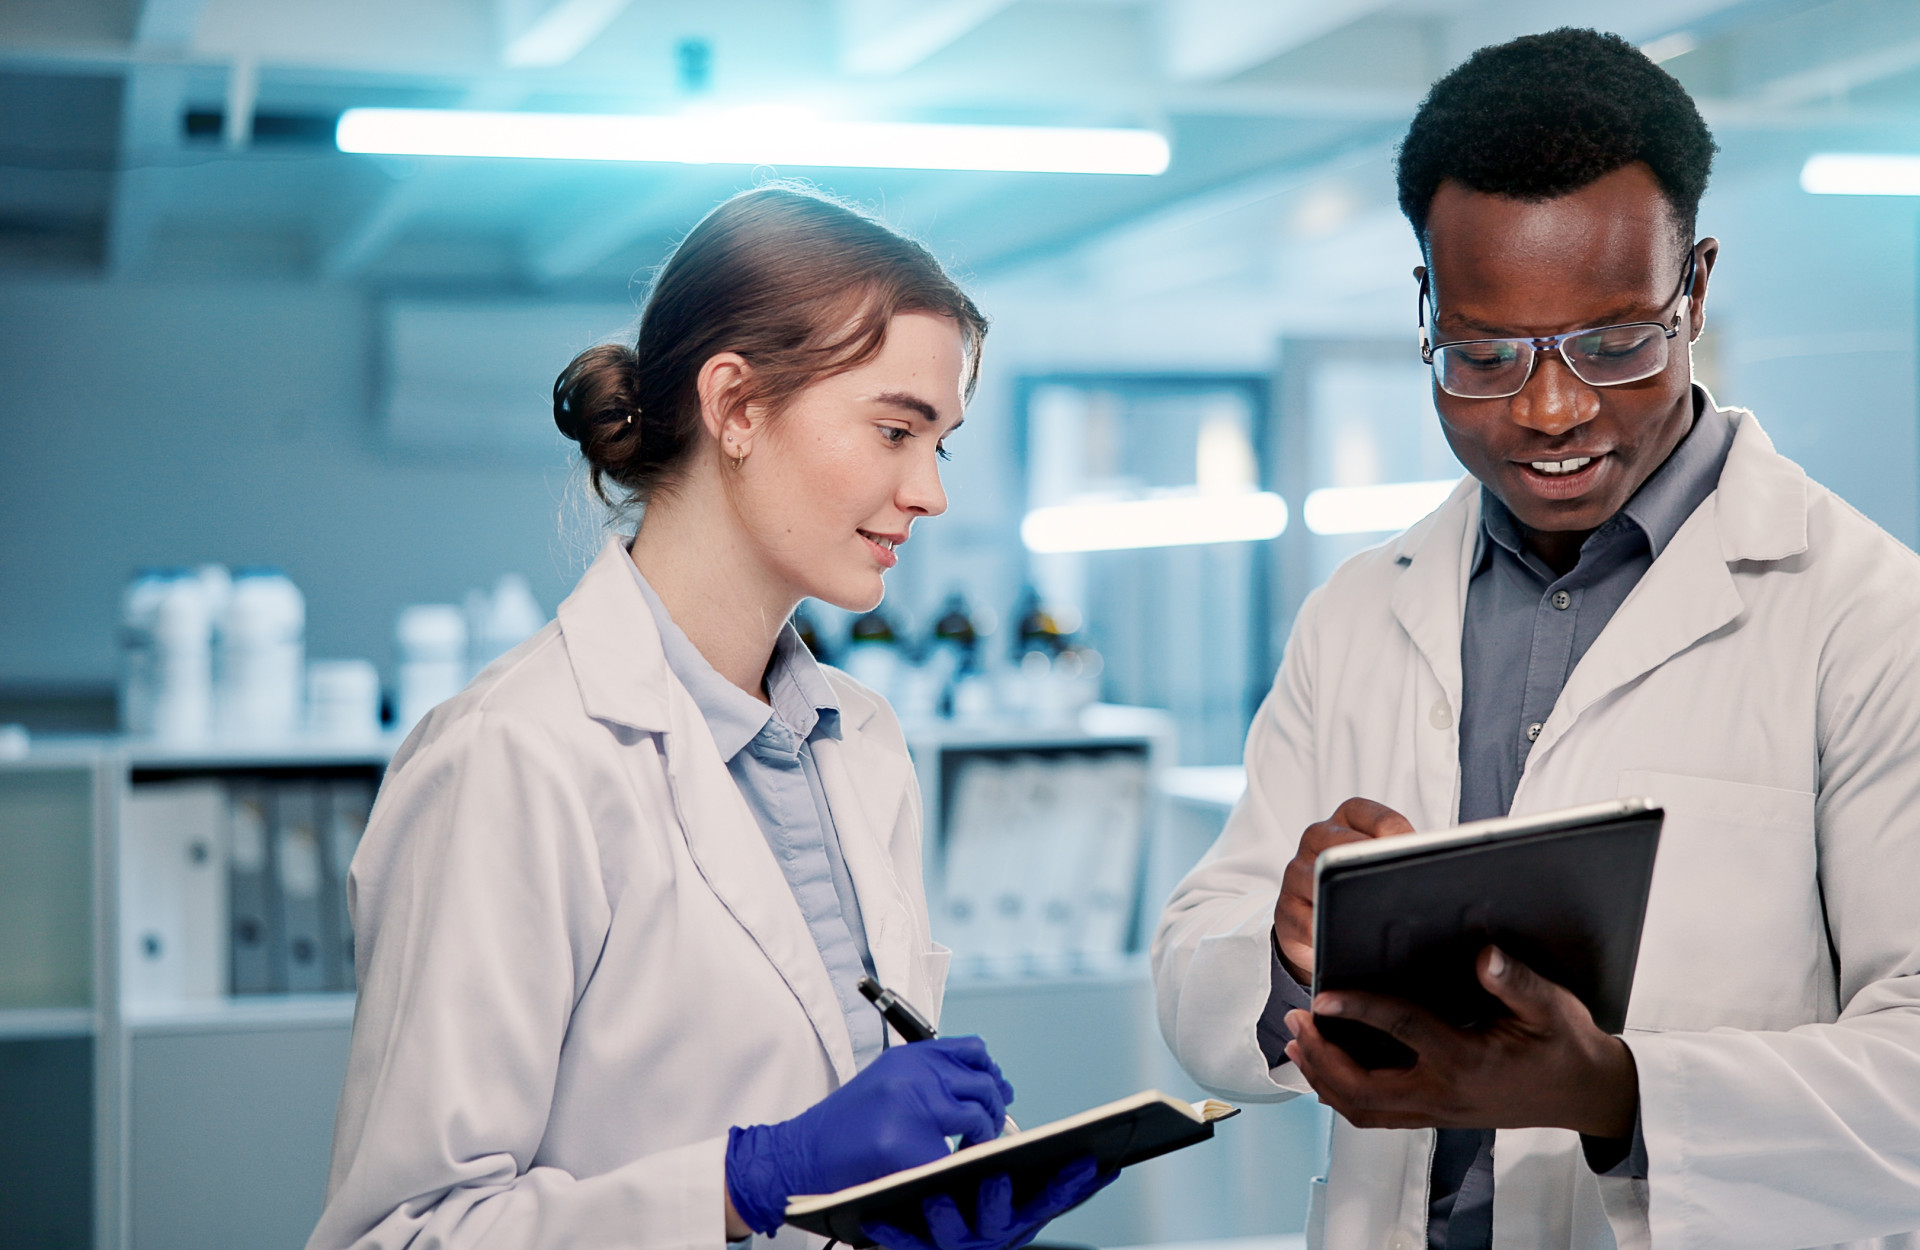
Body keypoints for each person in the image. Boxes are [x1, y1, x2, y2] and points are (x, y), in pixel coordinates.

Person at [1153, 28, 1920, 1250]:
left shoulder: (1870, 617)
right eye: (1483, 355)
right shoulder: (1361, 609)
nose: (1551, 410)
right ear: (1427, 312)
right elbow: (1197, 965)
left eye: (1616, 344)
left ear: (1697, 288)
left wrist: (1615, 1092)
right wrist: (1289, 952)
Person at [307, 186, 1107, 1250]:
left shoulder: (858, 745)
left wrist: (919, 1205)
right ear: (735, 405)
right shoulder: (513, 755)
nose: (929, 492)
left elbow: (839, 1131)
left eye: (940, 445)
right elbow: (401, 1234)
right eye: (893, 430)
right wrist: (746, 1179)